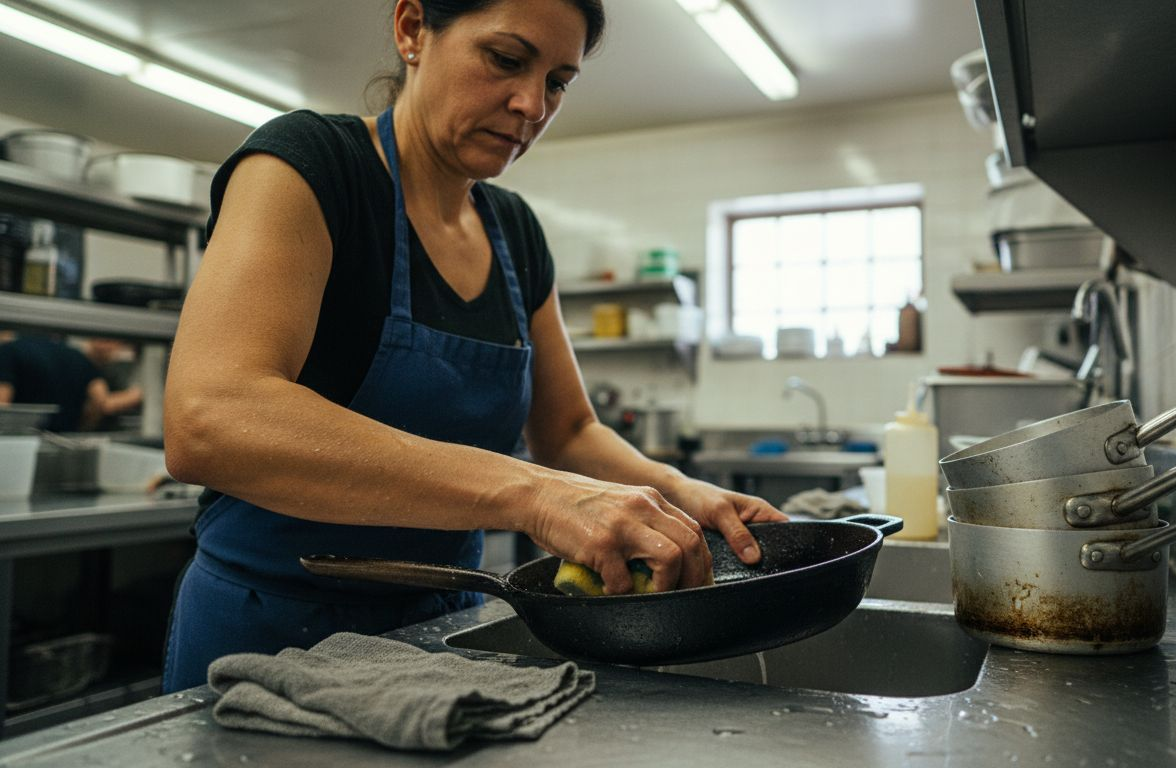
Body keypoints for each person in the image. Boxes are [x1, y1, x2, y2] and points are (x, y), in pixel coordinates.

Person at [160, 0, 786, 692]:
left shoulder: (514, 233)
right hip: (270, 642)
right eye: (506, 60)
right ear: (411, 30)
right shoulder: (310, 168)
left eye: (557, 82)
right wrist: (535, 495)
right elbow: (210, 419)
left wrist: (677, 496)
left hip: (444, 634)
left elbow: (569, 430)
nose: (530, 105)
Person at [0, 331, 143, 432]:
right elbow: (99, 400)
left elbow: (2, 408)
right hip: (65, 442)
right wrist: (82, 429)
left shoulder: (6, 352)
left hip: (25, 445)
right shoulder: (77, 357)